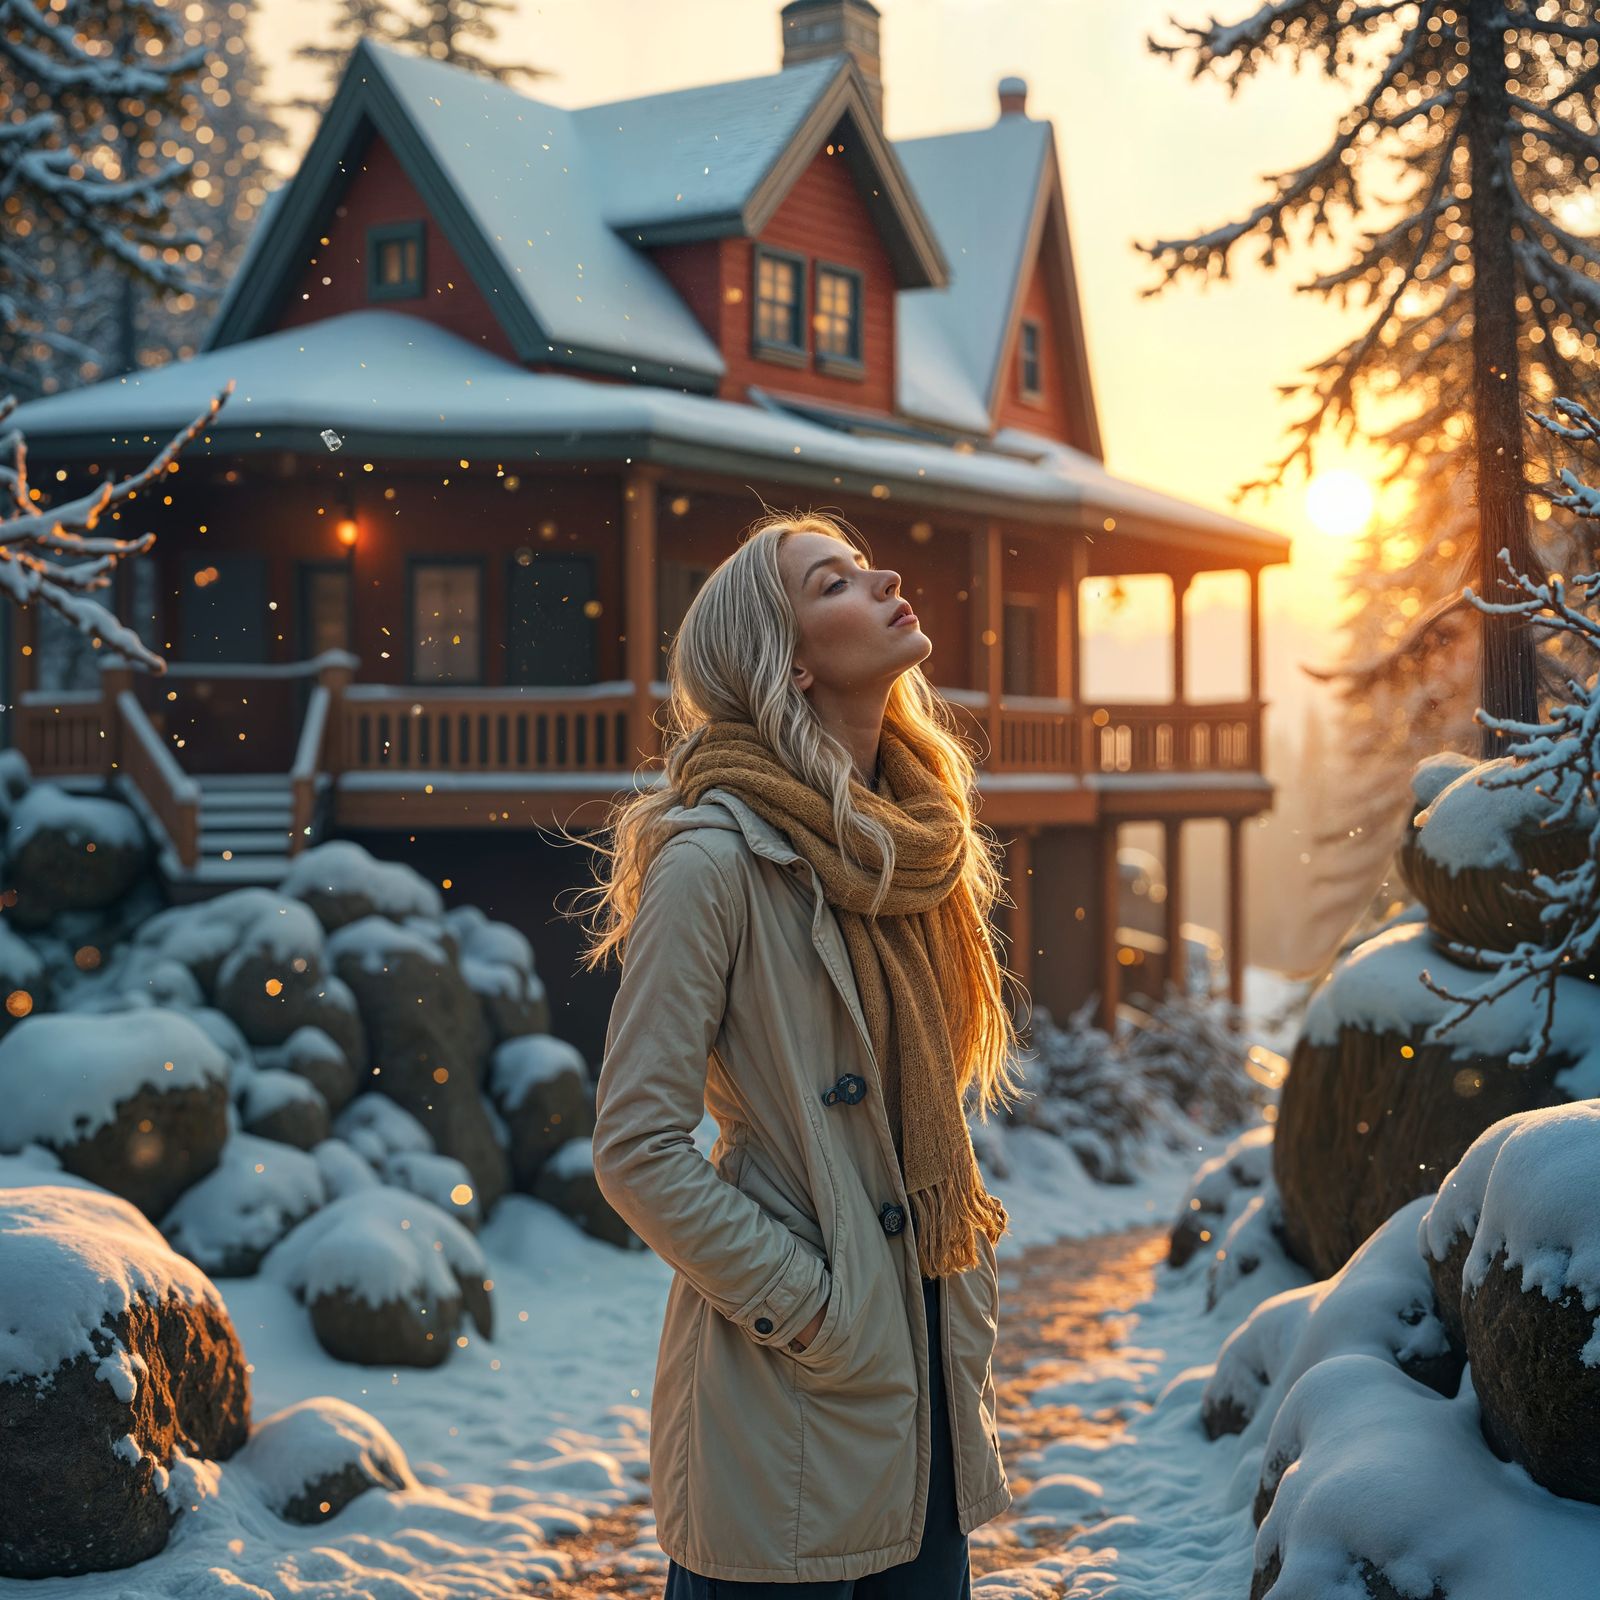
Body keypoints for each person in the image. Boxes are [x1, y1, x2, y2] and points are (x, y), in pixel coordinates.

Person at [570, 509, 1028, 1595]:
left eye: (863, 568)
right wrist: (817, 1307)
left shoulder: (914, 842)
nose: (883, 580)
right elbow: (636, 1147)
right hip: (785, 1399)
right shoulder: (713, 857)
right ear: (787, 662)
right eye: (834, 583)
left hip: (922, 1404)